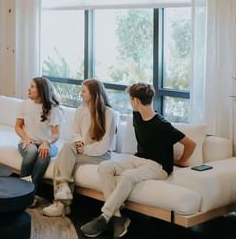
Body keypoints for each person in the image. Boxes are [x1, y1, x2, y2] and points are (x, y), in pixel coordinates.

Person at [81, 83, 196, 238]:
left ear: (135, 100)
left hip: (158, 166)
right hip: (138, 159)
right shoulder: (136, 116)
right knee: (104, 167)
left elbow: (190, 144)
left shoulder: (162, 125)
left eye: (130, 99)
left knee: (128, 176)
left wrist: (181, 161)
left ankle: (105, 216)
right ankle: (118, 219)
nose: (130, 102)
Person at [43, 78, 117, 217]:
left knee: (61, 159)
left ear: (94, 93)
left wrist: (86, 149)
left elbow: (105, 144)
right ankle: (63, 193)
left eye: (83, 91)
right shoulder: (80, 110)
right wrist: (79, 142)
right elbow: (75, 132)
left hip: (101, 154)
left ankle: (61, 205)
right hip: (82, 149)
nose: (80, 94)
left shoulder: (108, 113)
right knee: (66, 150)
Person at [15, 76, 64, 208]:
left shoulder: (53, 108)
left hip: (48, 144)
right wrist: (26, 138)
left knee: (44, 153)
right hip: (27, 141)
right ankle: (23, 189)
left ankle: (30, 191)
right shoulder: (24, 104)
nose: (28, 89)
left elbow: (56, 134)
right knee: (31, 151)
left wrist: (47, 142)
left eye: (32, 87)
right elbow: (18, 127)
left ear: (41, 90)